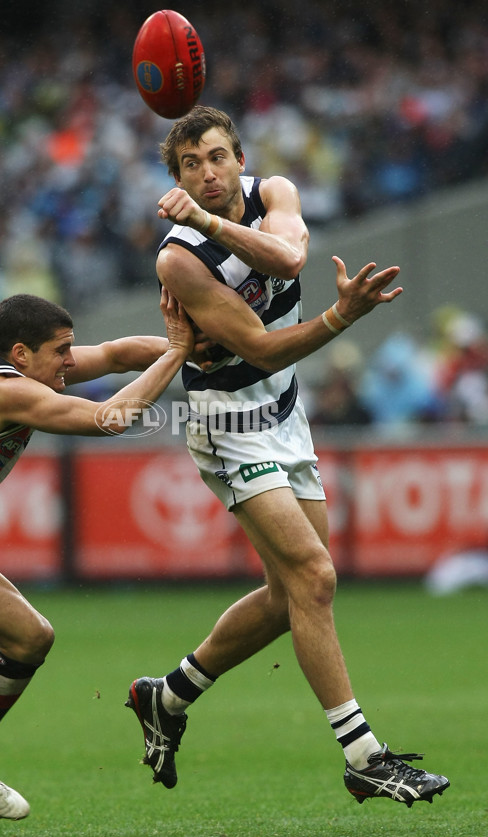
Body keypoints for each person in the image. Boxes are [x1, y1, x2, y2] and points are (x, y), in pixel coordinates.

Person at [125, 106, 450, 807]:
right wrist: (338, 318)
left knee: (288, 598)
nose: (207, 173)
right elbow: (264, 345)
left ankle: (167, 695)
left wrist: (216, 220)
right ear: (175, 178)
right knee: (315, 575)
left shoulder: (276, 193)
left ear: (240, 159)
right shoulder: (178, 258)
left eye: (217, 156)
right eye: (190, 165)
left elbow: (290, 258)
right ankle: (364, 755)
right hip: (228, 422)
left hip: (285, 412)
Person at [0, 291, 194, 820]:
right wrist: (178, 352)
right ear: (21, 354)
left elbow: (119, 353)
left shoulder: (17, 371)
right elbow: (112, 418)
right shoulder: (3, 393)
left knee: (30, 637)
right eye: (62, 351)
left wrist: (196, 346)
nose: (72, 362)